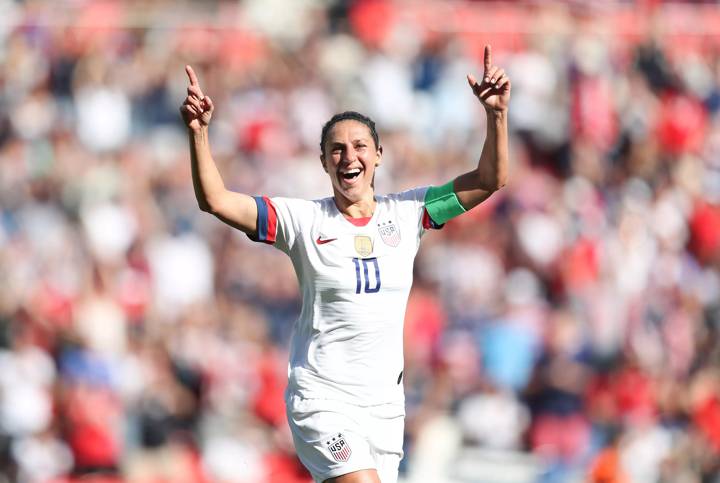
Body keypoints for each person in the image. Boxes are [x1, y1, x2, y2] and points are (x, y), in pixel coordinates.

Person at [180, 44, 510, 483]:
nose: (348, 157)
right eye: (336, 149)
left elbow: (488, 180)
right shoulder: (303, 220)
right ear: (323, 162)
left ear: (378, 155)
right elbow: (216, 200)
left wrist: (496, 114)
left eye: (359, 146)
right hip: (323, 398)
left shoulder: (410, 212)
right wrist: (199, 133)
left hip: (384, 408)